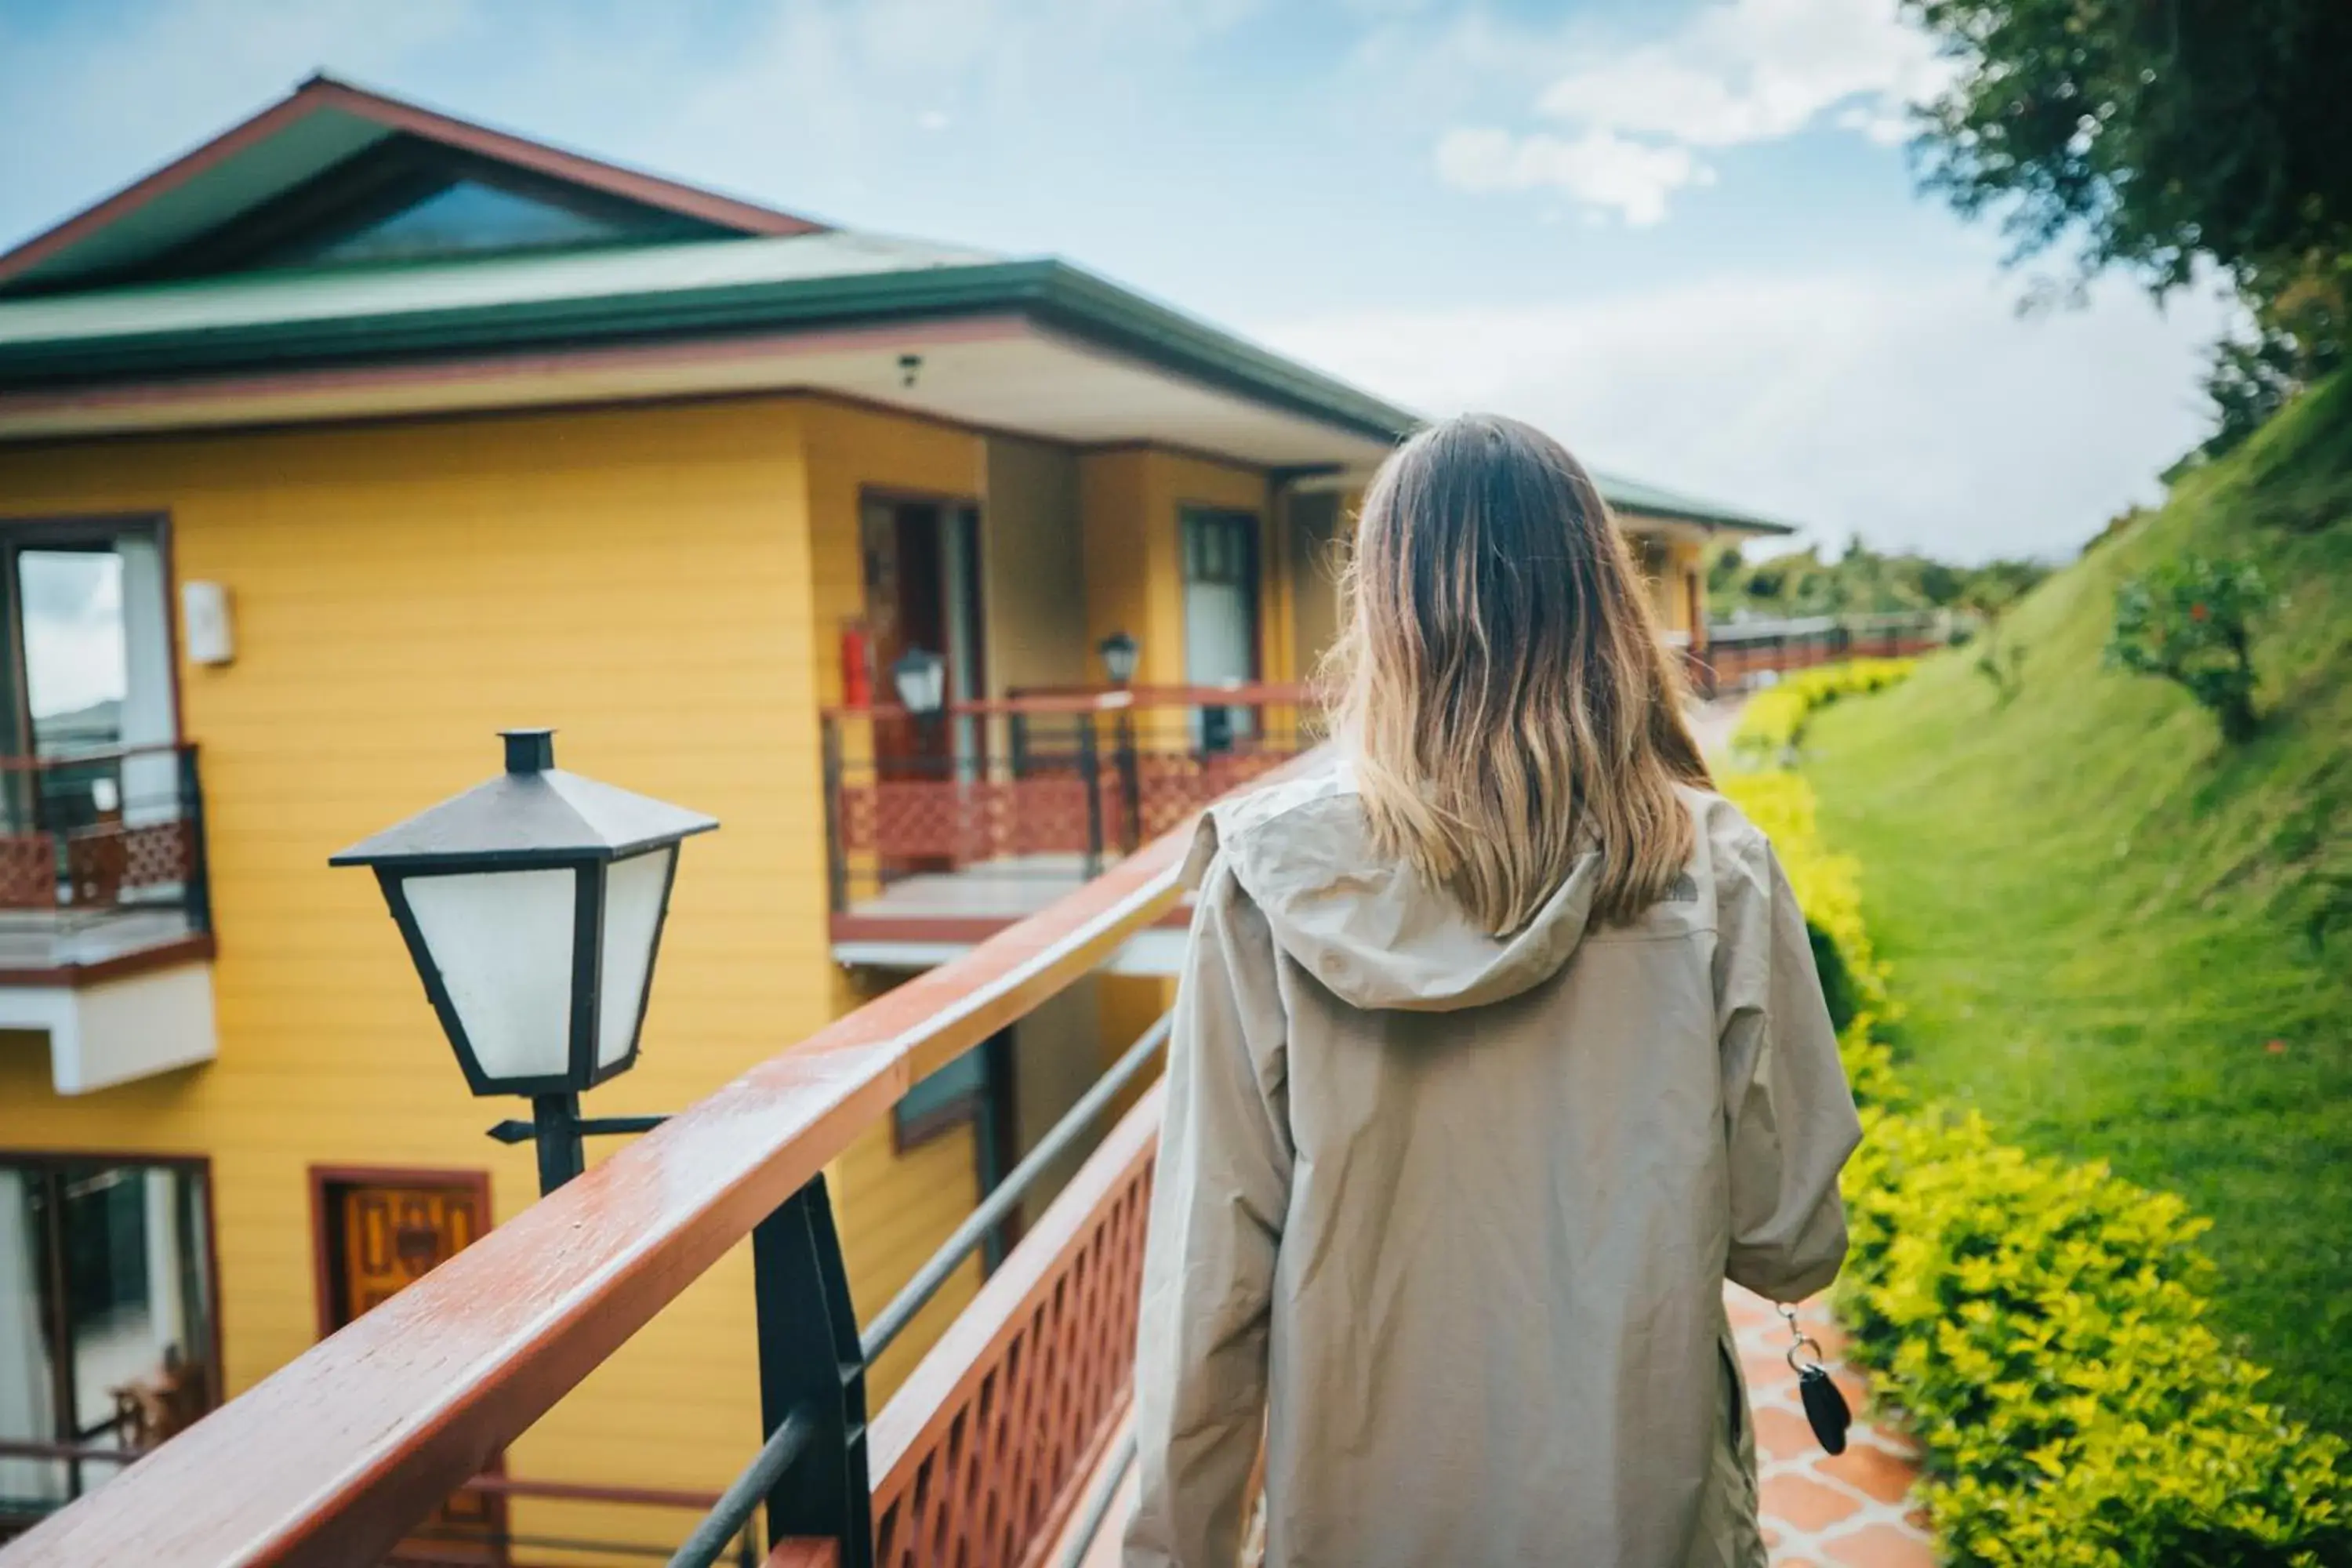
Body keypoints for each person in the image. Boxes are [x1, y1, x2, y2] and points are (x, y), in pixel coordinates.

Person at [1123, 415, 1862, 1568]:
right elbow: (1786, 1239)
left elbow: (1208, 1293)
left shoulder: (1268, 885)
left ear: (1385, 618)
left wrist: (1178, 1551)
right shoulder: (1714, 870)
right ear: (1602, 602)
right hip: (1639, 1508)